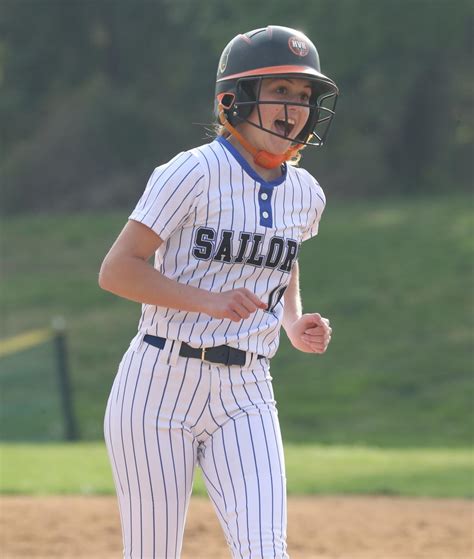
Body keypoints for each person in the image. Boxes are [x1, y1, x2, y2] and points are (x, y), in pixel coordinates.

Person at [99, 24, 338, 559]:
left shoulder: (306, 192)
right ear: (235, 99)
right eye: (279, 91)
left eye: (303, 95)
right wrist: (209, 300)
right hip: (159, 384)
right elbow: (117, 271)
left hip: (248, 387)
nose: (294, 107)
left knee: (264, 550)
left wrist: (293, 322)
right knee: (152, 552)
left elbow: (282, 260)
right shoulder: (191, 172)